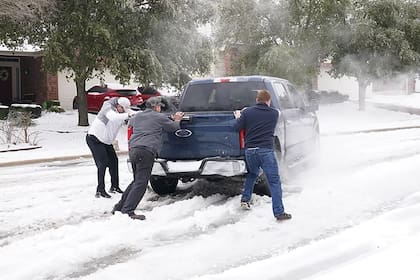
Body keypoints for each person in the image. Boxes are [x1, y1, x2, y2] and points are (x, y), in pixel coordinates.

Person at [112, 96, 184, 220]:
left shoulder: (137, 116)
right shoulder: (159, 117)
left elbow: (136, 123)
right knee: (141, 183)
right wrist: (177, 119)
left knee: (136, 181)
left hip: (134, 150)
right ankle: (128, 211)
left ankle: (119, 207)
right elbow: (173, 128)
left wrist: (168, 118)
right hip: (146, 151)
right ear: (156, 107)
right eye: (160, 107)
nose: (160, 109)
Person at [233, 89, 292, 221]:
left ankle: (245, 199)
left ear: (256, 100)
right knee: (274, 181)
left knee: (252, 174)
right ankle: (279, 212)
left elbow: (237, 128)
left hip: (250, 151)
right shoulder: (274, 113)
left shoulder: (247, 113)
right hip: (265, 151)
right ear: (268, 101)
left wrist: (239, 116)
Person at [86, 97, 134, 198]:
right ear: (118, 106)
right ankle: (100, 190)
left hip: (106, 142)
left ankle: (115, 187)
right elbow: (113, 117)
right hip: (95, 139)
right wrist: (128, 114)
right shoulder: (107, 108)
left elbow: (130, 113)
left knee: (114, 162)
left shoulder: (122, 111)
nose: (124, 111)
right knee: (102, 163)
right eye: (123, 109)